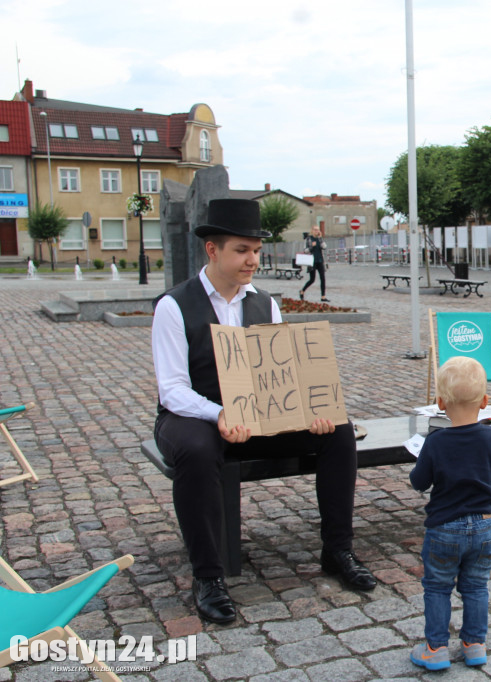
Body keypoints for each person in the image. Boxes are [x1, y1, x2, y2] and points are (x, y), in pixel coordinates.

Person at [151, 199, 375, 625]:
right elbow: (172, 389)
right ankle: (209, 576)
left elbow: (278, 374)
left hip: (255, 415)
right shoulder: (174, 306)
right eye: (241, 250)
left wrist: (309, 409)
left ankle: (337, 549)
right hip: (193, 417)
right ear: (212, 250)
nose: (252, 259)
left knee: (339, 431)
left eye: (255, 250)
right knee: (196, 452)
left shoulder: (264, 303)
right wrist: (219, 414)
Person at [409, 357, 491, 671]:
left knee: (438, 586)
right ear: (485, 401)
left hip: (445, 527)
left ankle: (436, 648)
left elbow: (419, 482)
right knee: (476, 585)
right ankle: (474, 644)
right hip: (485, 525)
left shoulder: (436, 442)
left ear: (440, 403)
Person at [299, 225, 328, 302]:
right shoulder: (308, 239)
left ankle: (323, 296)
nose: (317, 231)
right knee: (312, 279)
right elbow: (305, 250)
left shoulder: (319, 239)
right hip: (312, 262)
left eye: (318, 230)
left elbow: (324, 247)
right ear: (312, 230)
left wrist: (320, 238)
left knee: (323, 278)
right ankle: (302, 291)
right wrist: (312, 246)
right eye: (315, 230)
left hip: (320, 260)